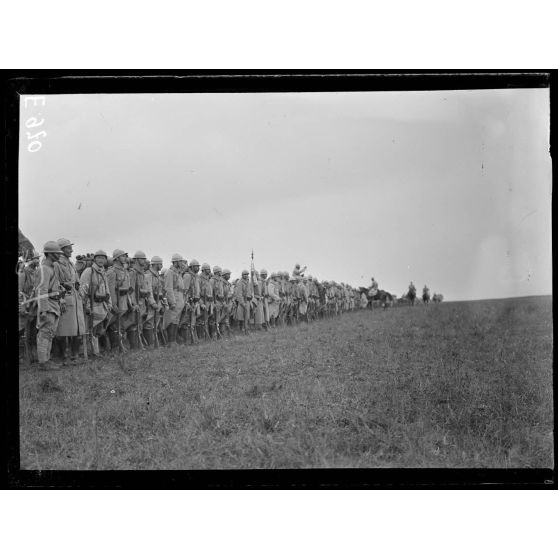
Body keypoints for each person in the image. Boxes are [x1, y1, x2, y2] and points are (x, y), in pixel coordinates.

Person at [54, 238, 86, 363]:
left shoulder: (71, 264)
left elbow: (76, 279)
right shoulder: (56, 264)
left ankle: (75, 355)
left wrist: (77, 285)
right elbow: (54, 283)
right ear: (61, 250)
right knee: (63, 329)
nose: (71, 250)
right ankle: (63, 356)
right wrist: (62, 289)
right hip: (64, 299)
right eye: (68, 248)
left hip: (75, 298)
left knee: (77, 328)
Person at [35, 241, 65, 371]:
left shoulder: (52, 267)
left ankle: (46, 360)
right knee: (45, 333)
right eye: (57, 253)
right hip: (48, 306)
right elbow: (41, 291)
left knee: (50, 333)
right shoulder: (44, 269)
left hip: (54, 303)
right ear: (50, 254)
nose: (59, 255)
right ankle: (43, 362)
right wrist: (44, 310)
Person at [80, 250, 113, 357]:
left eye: (103, 258)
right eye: (98, 258)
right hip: (92, 304)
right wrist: (87, 305)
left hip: (102, 304)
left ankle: (96, 351)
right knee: (89, 329)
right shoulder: (89, 271)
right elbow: (83, 290)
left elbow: (107, 290)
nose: (101, 260)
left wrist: (109, 303)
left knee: (98, 329)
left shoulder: (103, 272)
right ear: (94, 259)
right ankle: (90, 352)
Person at [107, 249, 136, 351]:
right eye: (123, 256)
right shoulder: (112, 272)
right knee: (114, 325)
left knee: (121, 325)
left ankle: (120, 346)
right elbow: (111, 290)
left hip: (125, 301)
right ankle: (115, 348)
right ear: (117, 258)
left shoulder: (125, 271)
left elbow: (129, 288)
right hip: (117, 302)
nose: (125, 258)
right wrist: (114, 305)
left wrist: (131, 302)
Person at [163, 253, 186, 347]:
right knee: (171, 319)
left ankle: (174, 341)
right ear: (176, 262)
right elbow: (169, 288)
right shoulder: (170, 272)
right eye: (180, 261)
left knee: (176, 319)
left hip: (180, 297)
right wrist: (172, 302)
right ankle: (171, 341)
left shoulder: (178, 273)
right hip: (174, 298)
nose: (182, 263)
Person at [129, 250, 150, 349]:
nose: (144, 260)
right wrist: (134, 303)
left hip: (142, 301)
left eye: (144, 259)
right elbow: (131, 290)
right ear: (136, 260)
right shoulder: (133, 273)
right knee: (134, 323)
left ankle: (139, 344)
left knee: (140, 323)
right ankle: (135, 346)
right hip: (136, 302)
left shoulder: (142, 273)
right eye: (142, 259)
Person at [144, 256, 164, 348]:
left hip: (158, 301)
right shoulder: (148, 275)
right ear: (155, 264)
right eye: (160, 264)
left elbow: (161, 291)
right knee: (149, 323)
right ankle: (150, 344)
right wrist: (152, 303)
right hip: (152, 303)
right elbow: (149, 291)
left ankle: (154, 344)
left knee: (155, 323)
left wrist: (163, 304)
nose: (161, 265)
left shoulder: (157, 275)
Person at [181, 258, 200, 344]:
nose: (198, 268)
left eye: (198, 266)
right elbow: (185, 290)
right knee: (186, 321)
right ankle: (186, 340)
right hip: (189, 301)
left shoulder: (195, 276)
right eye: (196, 266)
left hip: (195, 301)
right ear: (192, 267)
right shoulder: (187, 276)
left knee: (192, 321)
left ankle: (192, 339)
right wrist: (187, 302)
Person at [234, 269, 253, 334]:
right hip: (242, 301)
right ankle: (241, 328)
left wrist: (250, 297)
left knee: (247, 316)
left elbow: (250, 291)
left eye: (247, 274)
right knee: (241, 316)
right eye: (245, 274)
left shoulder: (248, 282)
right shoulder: (240, 282)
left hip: (247, 300)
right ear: (242, 275)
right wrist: (242, 303)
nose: (246, 275)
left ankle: (246, 328)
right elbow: (239, 294)